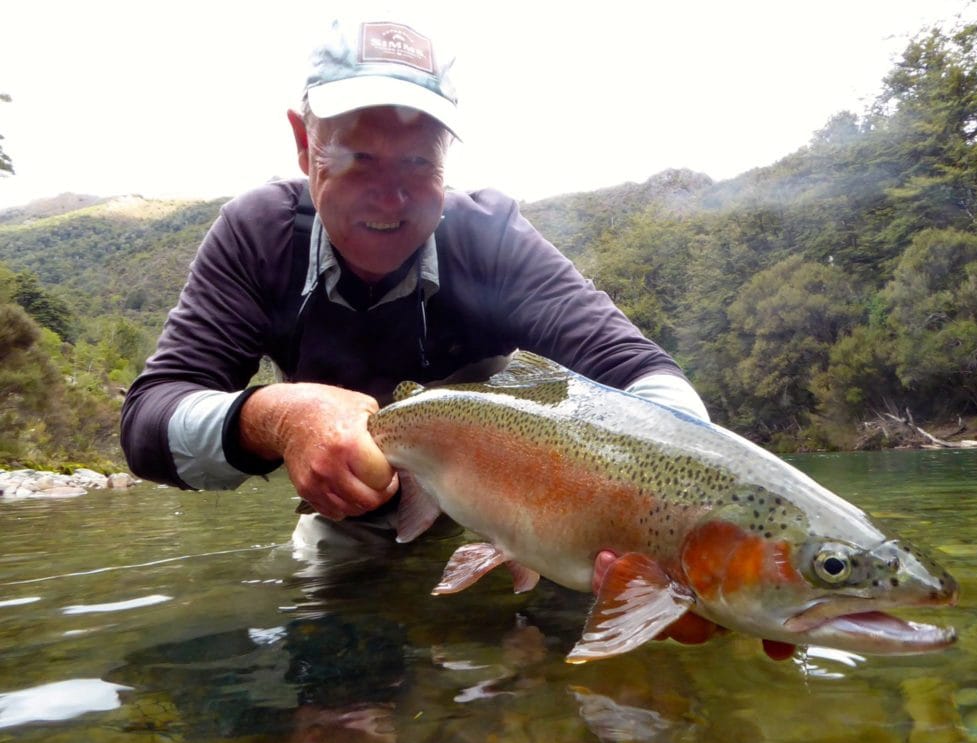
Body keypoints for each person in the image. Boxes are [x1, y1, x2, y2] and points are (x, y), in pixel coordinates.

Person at [120, 14, 709, 573]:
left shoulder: (489, 238)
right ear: (304, 145)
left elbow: (640, 371)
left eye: (417, 162)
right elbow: (149, 420)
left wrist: (692, 508)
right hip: (359, 515)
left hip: (518, 514)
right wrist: (275, 417)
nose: (390, 198)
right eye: (357, 159)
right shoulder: (261, 237)